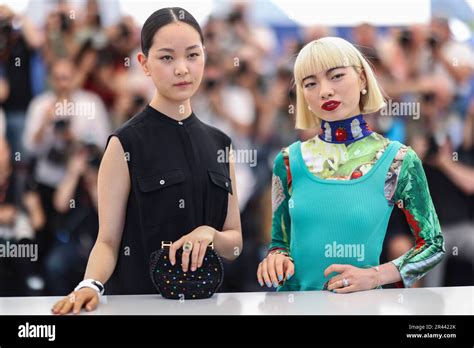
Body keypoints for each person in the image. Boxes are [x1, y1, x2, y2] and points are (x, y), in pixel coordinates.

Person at [52, 7, 242, 314]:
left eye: (193, 55)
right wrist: (88, 284)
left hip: (208, 307)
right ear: (144, 64)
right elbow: (107, 241)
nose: (182, 68)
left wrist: (210, 234)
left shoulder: (221, 144)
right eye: (167, 57)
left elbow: (234, 245)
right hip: (139, 307)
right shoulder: (124, 143)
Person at [257, 37, 445, 293]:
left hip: (362, 307)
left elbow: (433, 244)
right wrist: (275, 259)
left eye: (336, 76)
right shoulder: (288, 161)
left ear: (363, 79)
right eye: (310, 83)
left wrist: (376, 275)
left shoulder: (398, 160)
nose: (324, 90)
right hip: (294, 307)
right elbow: (280, 244)